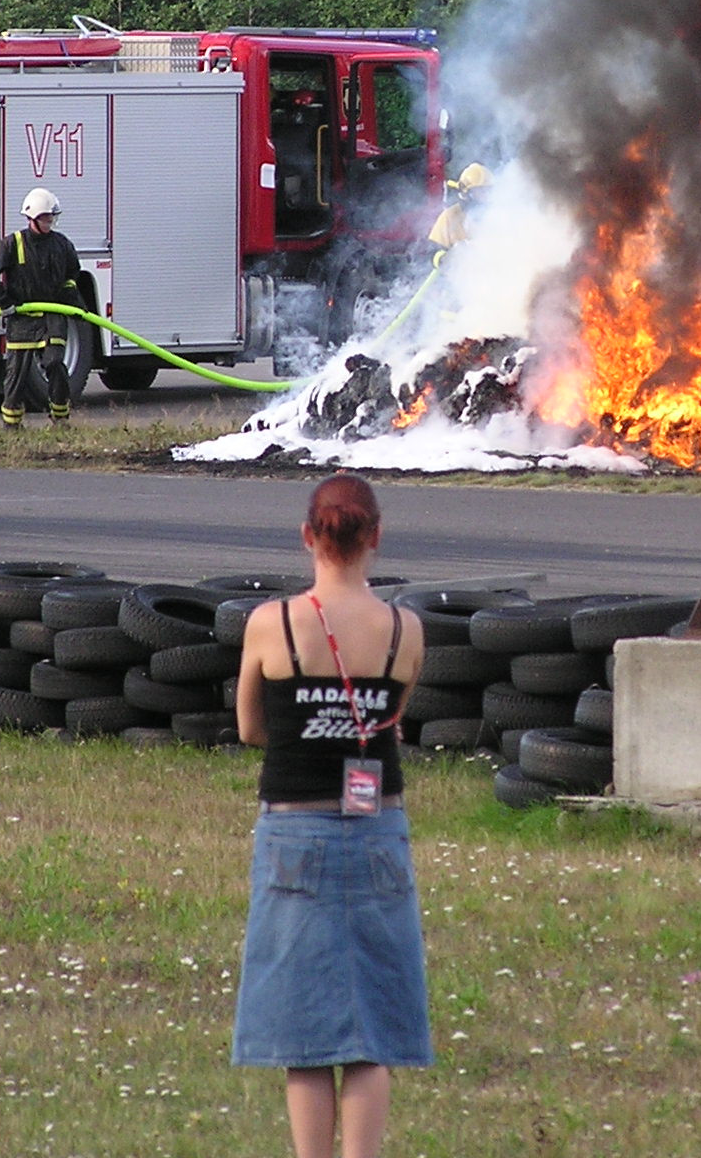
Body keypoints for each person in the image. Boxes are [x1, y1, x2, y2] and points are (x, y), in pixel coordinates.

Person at [233, 475, 431, 1158]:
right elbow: (388, 721)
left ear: (307, 536)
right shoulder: (404, 630)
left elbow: (251, 728)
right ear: (376, 536)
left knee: (304, 1034)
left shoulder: (273, 624)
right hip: (377, 830)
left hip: (294, 830)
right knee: (371, 1031)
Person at [0, 187, 84, 429]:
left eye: (52, 218)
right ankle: (12, 425)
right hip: (22, 318)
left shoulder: (61, 244)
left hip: (53, 316)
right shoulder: (12, 244)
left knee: (55, 362)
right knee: (17, 374)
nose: (50, 222)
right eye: (47, 218)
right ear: (33, 217)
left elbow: (73, 272)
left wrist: (69, 291)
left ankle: (60, 419)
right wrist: (2, 299)